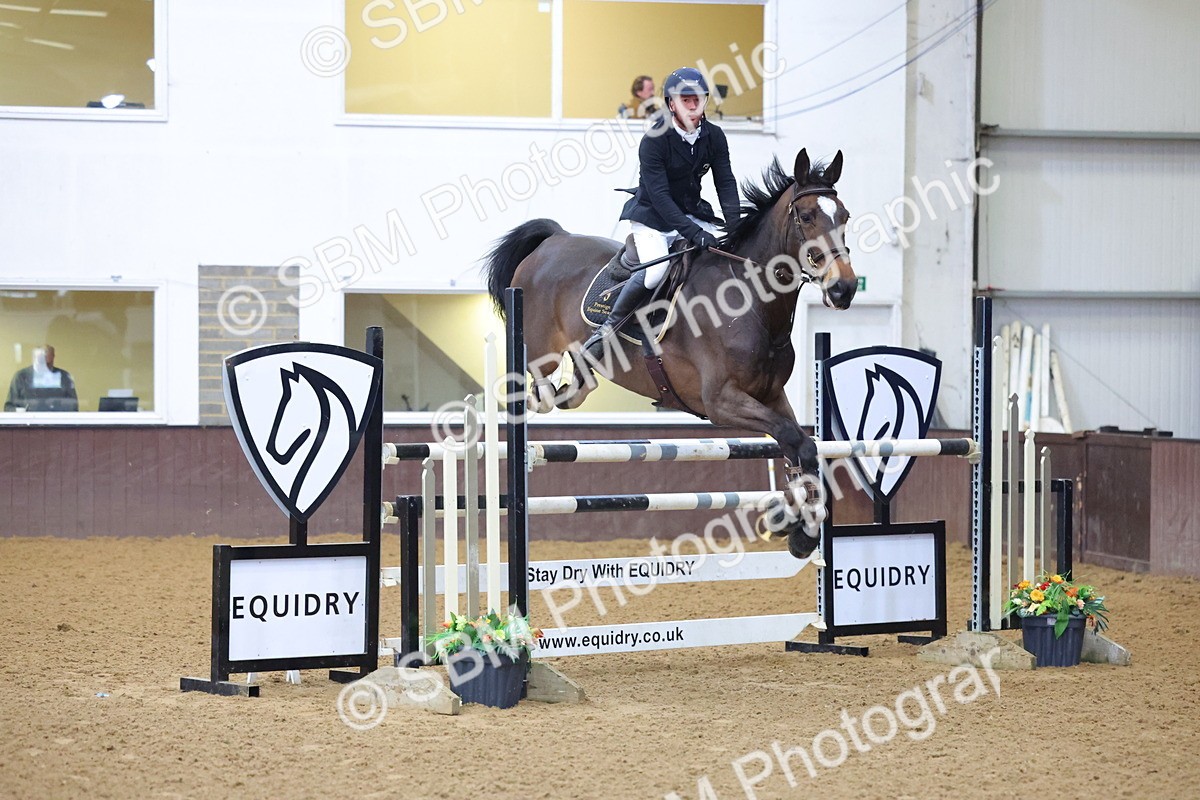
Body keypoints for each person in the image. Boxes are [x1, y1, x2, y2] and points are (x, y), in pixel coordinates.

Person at [583, 67, 741, 364]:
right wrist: (694, 233)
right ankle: (607, 330)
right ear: (671, 104)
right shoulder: (655, 138)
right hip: (653, 217)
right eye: (686, 100)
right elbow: (660, 197)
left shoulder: (714, 136)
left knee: (721, 257)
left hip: (690, 213)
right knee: (656, 271)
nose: (693, 106)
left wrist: (735, 227)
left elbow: (726, 182)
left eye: (698, 100)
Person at [4, 345, 78, 411]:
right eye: (41, 363)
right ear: (34, 359)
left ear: (53, 357)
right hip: (28, 424)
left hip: (56, 424)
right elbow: (9, 407)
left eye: (48, 364)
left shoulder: (64, 377)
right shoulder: (21, 377)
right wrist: (21, 412)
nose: (45, 368)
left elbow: (73, 407)